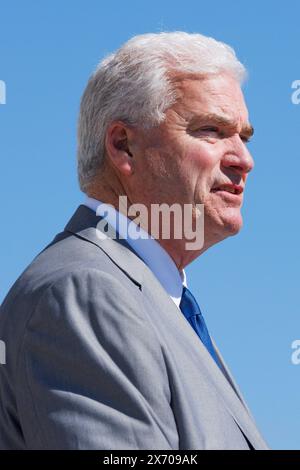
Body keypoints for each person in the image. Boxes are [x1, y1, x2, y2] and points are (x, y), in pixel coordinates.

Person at [0, 32, 268, 450]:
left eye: (244, 136)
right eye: (212, 130)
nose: (243, 159)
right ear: (124, 146)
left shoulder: (161, 301)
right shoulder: (85, 293)